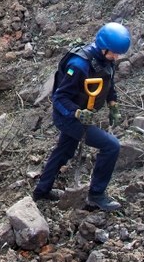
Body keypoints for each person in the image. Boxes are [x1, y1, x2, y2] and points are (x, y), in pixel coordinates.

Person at [32, 22, 131, 212]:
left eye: (118, 54)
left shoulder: (105, 60)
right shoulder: (78, 66)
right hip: (67, 117)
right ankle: (96, 195)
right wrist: (77, 113)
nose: (116, 57)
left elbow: (108, 84)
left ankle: (42, 190)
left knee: (64, 151)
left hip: (82, 115)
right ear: (103, 47)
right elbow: (59, 98)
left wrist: (113, 105)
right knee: (111, 146)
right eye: (113, 53)